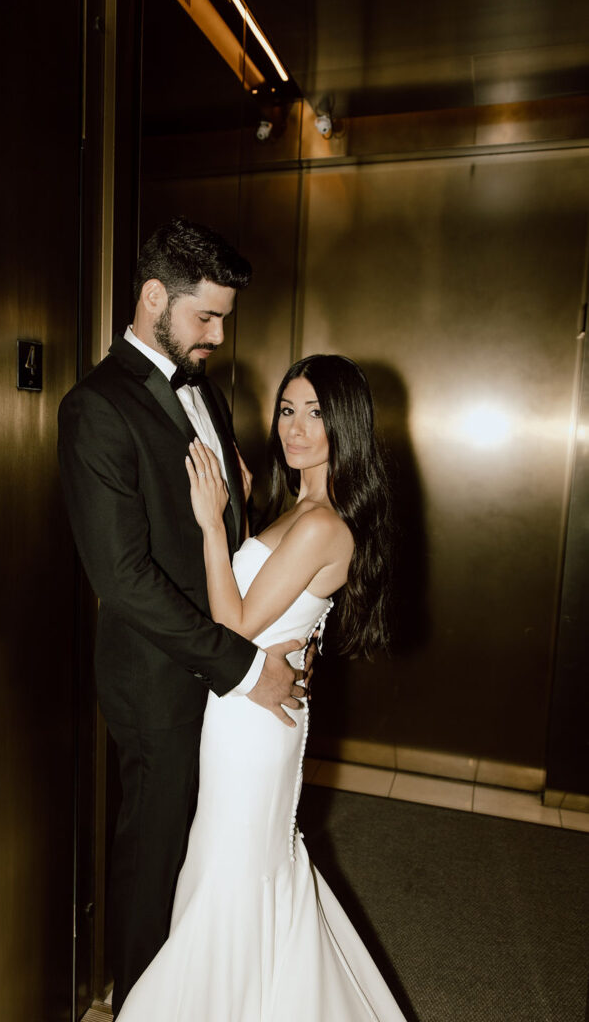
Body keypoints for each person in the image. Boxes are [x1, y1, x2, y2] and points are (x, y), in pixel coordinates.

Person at [57, 217, 310, 1016]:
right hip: (157, 680)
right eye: (207, 317)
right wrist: (242, 667)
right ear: (154, 297)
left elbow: (219, 542)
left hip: (219, 658)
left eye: (226, 319)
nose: (218, 335)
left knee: (210, 854)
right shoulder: (94, 408)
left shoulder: (208, 392)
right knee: (153, 862)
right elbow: (124, 577)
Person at [116, 354, 407, 1022]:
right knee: (236, 867)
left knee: (233, 869)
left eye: (315, 413)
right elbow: (263, 603)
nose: (296, 428)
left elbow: (235, 621)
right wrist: (243, 516)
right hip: (247, 708)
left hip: (253, 726)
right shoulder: (298, 509)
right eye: (287, 410)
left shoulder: (322, 523)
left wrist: (213, 523)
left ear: (346, 426)